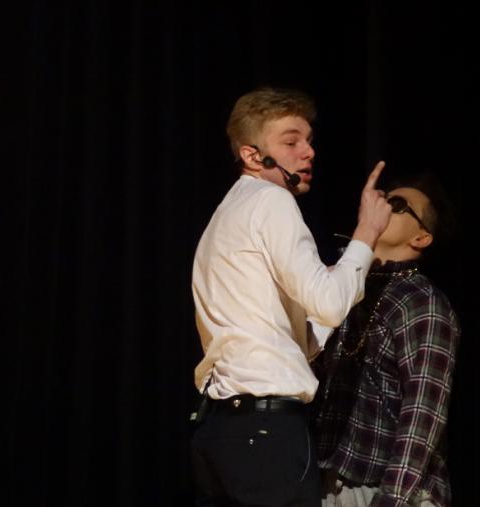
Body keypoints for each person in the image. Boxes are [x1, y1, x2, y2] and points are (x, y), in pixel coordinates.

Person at [190, 85, 393, 506]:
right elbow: (329, 303)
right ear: (252, 155)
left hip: (222, 431)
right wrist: (366, 233)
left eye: (309, 140)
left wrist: (339, 279)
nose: (308, 152)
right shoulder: (271, 201)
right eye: (290, 142)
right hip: (266, 433)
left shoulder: (228, 213)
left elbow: (296, 344)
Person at [311, 174, 461, 507]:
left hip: (396, 490)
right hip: (335, 481)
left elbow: (424, 413)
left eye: (398, 204)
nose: (383, 205)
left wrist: (392, 499)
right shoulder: (347, 287)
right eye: (383, 198)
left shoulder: (420, 301)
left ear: (421, 237)